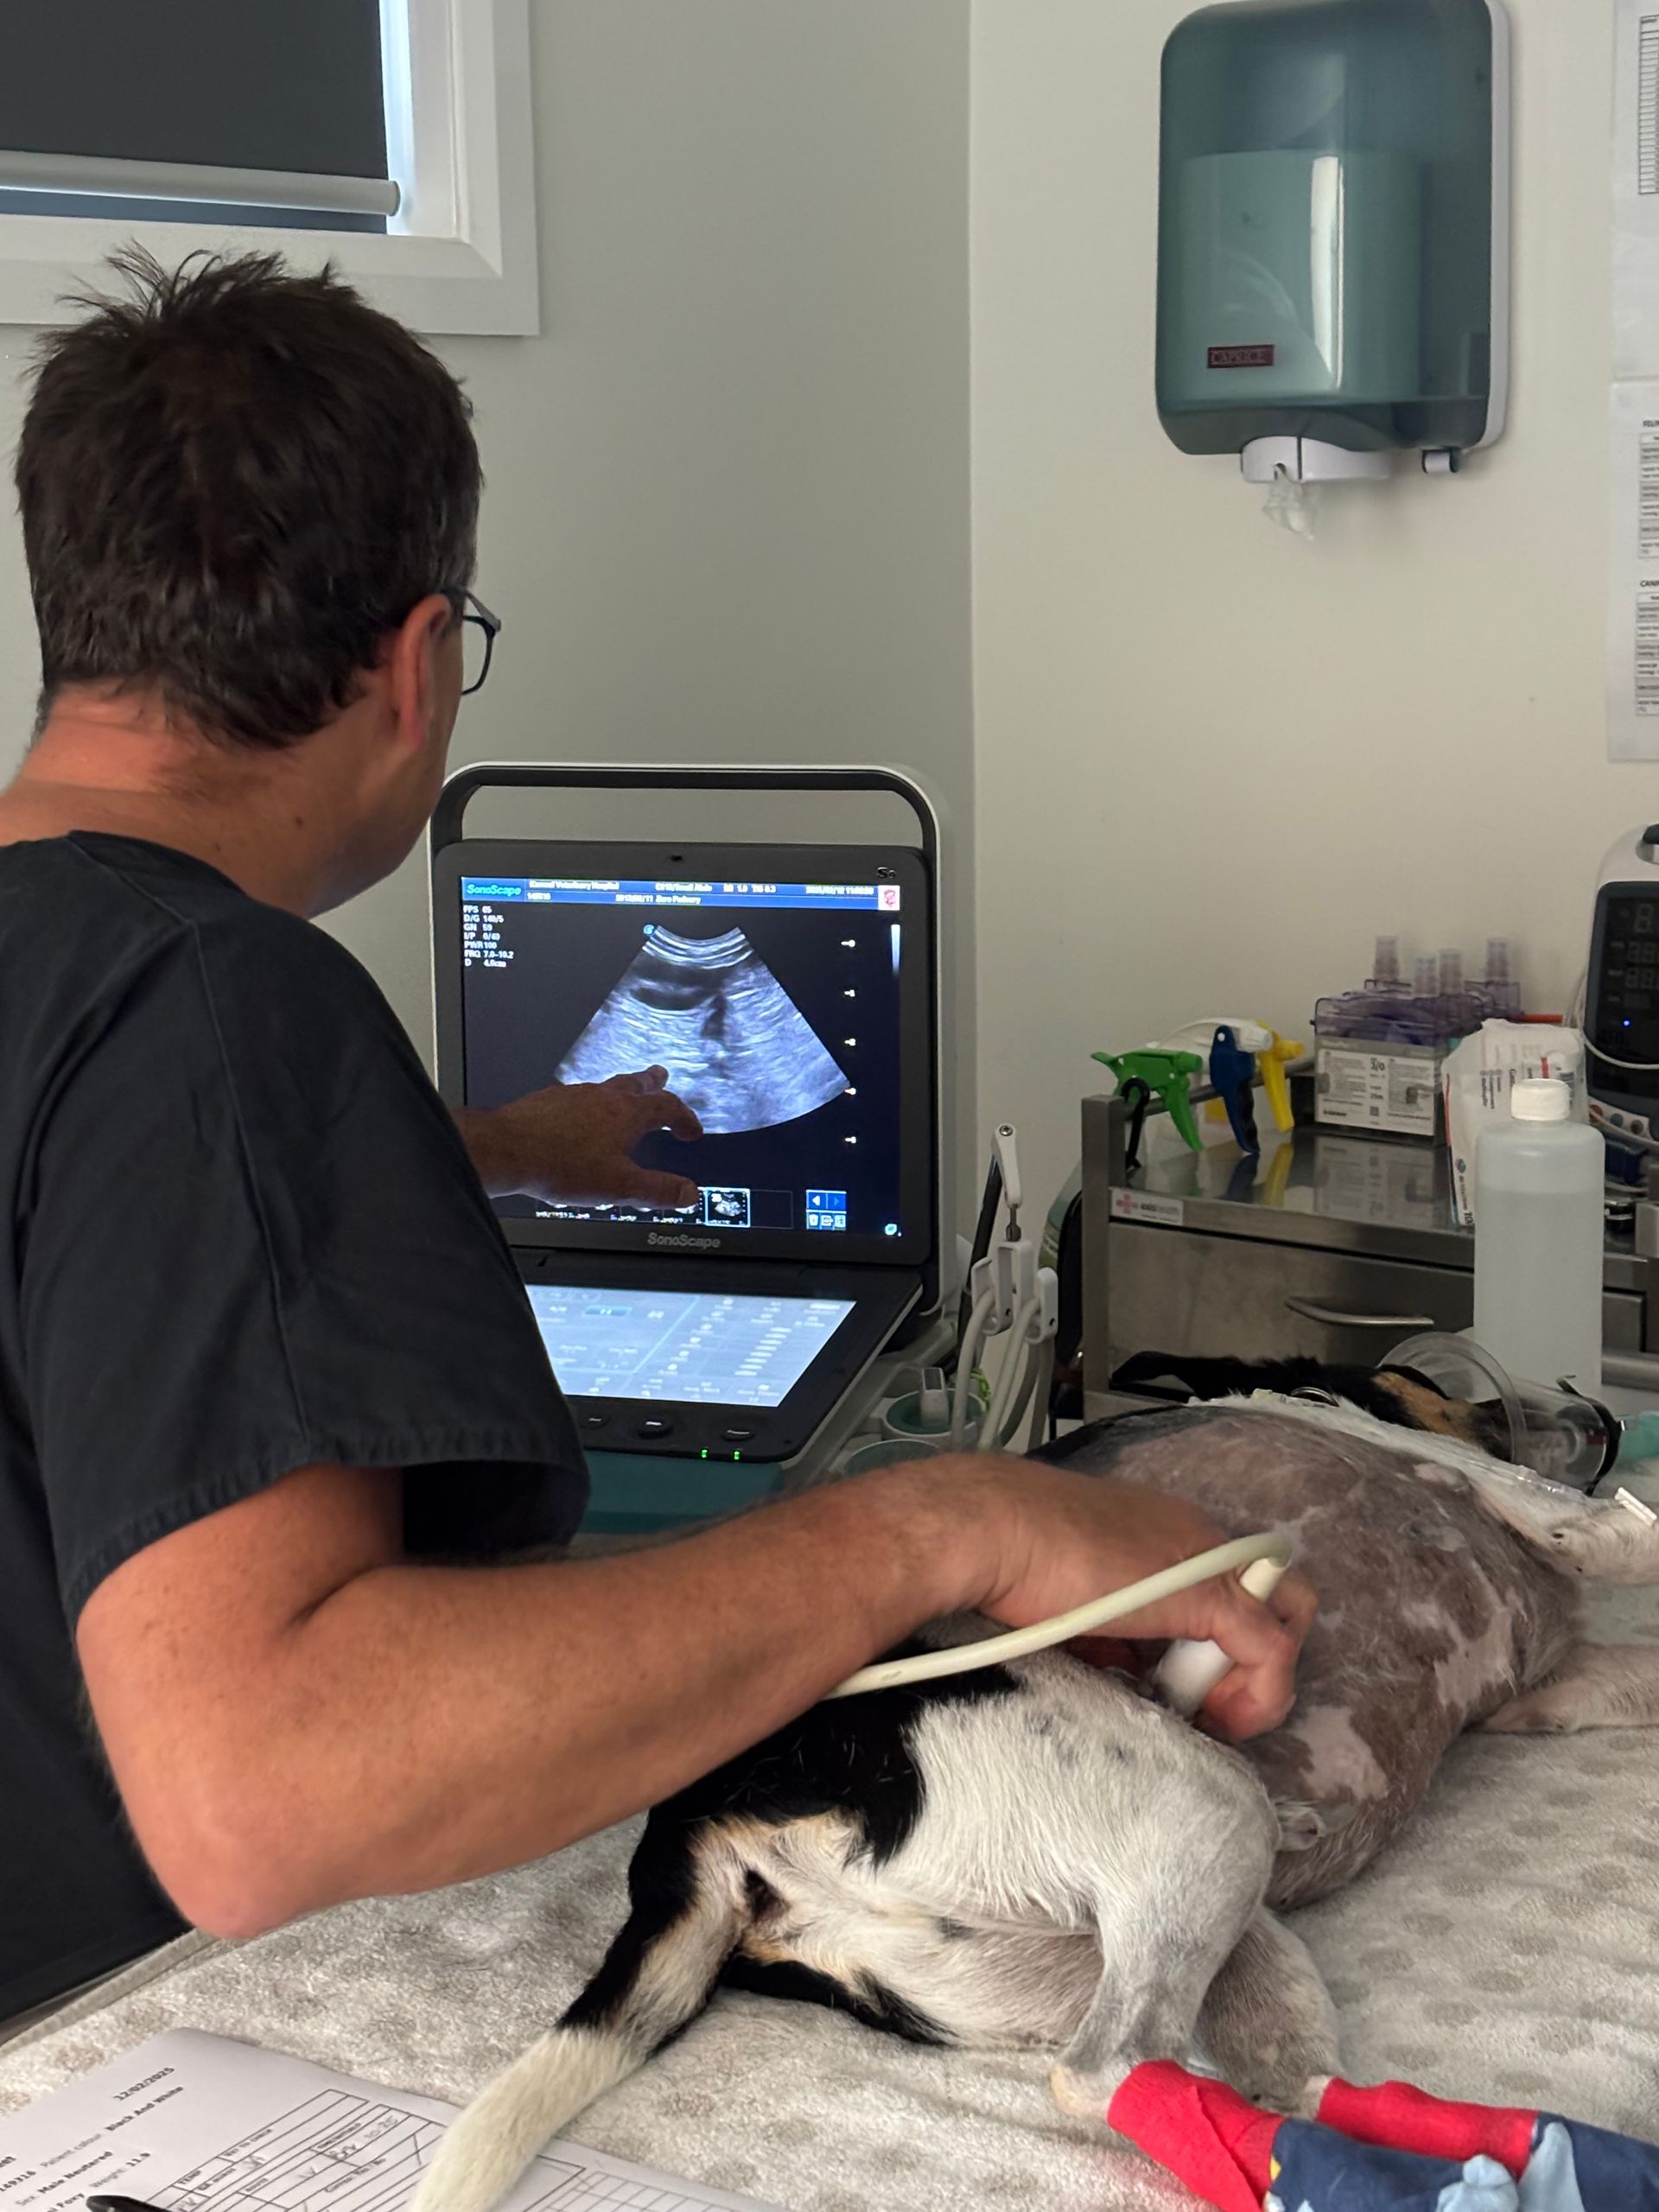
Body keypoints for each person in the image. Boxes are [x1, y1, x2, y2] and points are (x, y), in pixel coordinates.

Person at [0, 250, 1315, 2029]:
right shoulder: (221, 1008)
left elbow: (86, 1228)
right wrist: (941, 1526)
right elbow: (261, 1790)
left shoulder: (93, 986)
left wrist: (466, 1144)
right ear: (418, 665)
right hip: (106, 2046)